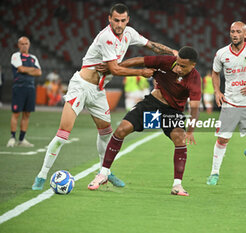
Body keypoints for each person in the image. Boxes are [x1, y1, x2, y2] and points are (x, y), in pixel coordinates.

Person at [32, 3, 177, 190]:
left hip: (98, 90)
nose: (119, 24)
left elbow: (152, 46)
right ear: (109, 19)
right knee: (63, 135)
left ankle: (105, 171)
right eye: (115, 20)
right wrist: (141, 71)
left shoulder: (130, 33)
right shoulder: (106, 37)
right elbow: (115, 69)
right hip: (81, 86)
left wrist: (171, 52)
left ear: (128, 20)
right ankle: (42, 175)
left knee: (106, 132)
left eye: (123, 20)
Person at [88, 46, 201, 196]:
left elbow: (194, 108)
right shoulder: (167, 62)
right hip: (152, 104)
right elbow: (139, 60)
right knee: (122, 129)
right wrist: (114, 67)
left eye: (183, 66)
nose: (178, 68)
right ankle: (103, 174)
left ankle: (177, 185)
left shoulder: (195, 79)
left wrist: (191, 131)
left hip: (172, 112)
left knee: (180, 139)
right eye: (177, 63)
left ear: (193, 66)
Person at [206, 21, 246, 186]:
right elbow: (215, 73)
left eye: (238, 32)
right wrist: (217, 91)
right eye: (232, 31)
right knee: (222, 139)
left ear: (245, 34)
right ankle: (214, 173)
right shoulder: (221, 53)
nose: (235, 34)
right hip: (230, 102)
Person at [7, 36, 42, 148]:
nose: (24, 45)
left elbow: (39, 72)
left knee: (27, 114)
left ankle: (22, 139)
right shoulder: (16, 56)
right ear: (18, 45)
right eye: (22, 44)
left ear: (29, 45)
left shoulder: (33, 58)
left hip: (30, 88)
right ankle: (12, 138)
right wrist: (31, 70)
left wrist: (26, 70)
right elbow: (21, 69)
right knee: (16, 113)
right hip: (19, 87)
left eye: (26, 43)